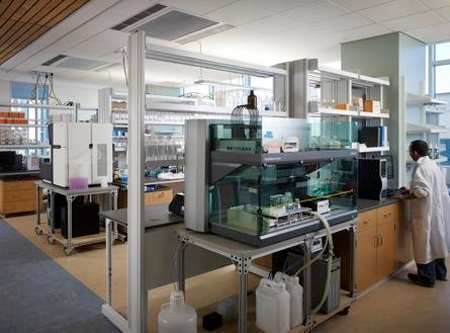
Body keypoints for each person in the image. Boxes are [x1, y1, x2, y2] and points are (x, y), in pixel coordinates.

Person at [394, 140, 450, 287]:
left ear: (415, 153)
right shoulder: (432, 165)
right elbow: (428, 186)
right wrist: (410, 187)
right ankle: (440, 274)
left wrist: (404, 196)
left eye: (410, 152)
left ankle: (426, 279)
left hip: (425, 213)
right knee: (436, 242)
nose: (410, 154)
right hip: (436, 211)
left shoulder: (420, 168)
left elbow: (422, 192)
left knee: (424, 246)